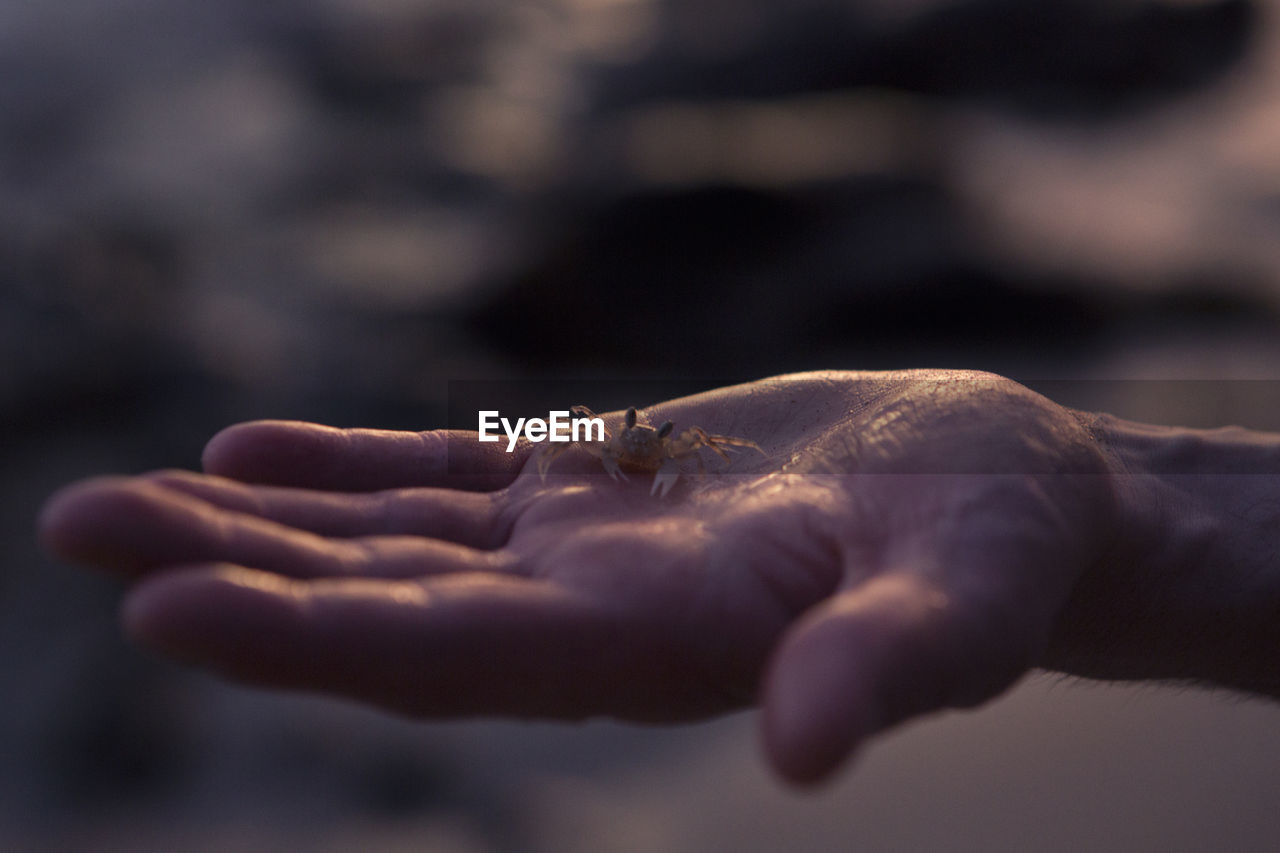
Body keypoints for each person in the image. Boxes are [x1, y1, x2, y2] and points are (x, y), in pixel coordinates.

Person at [36, 370, 1280, 786]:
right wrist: (1125, 493)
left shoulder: (666, 453)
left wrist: (1129, 506)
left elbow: (660, 454)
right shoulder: (617, 446)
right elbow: (604, 446)